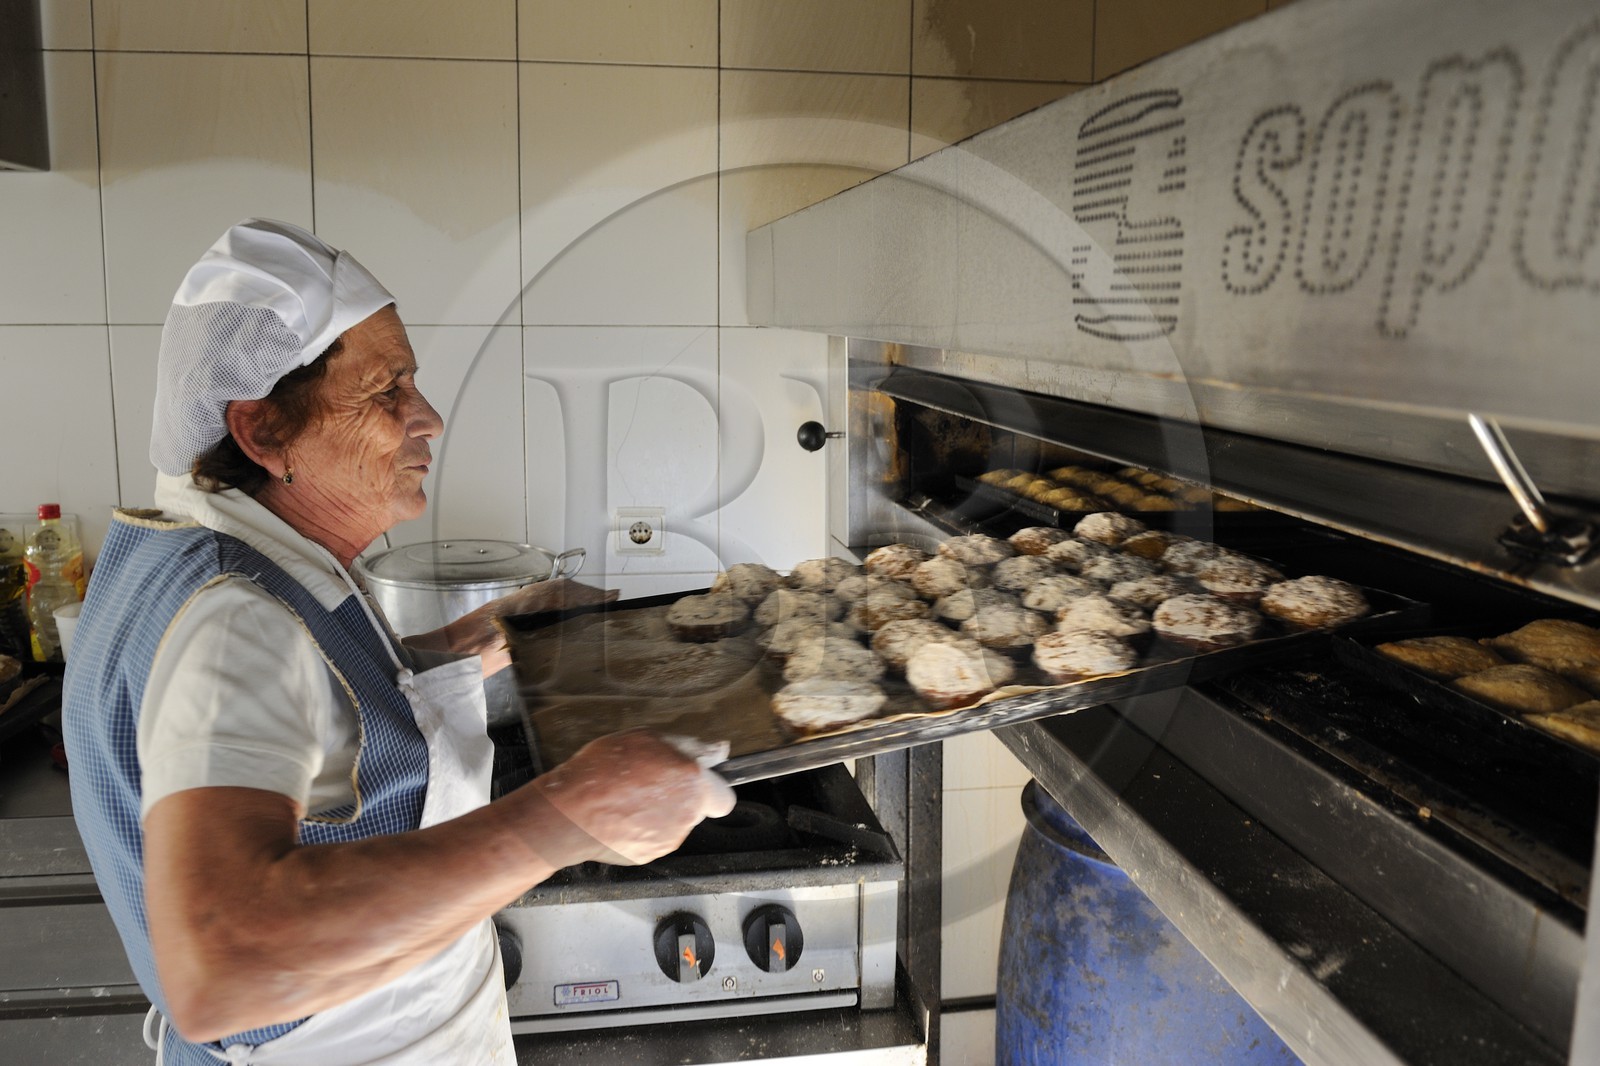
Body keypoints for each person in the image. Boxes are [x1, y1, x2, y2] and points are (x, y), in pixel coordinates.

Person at [61, 218, 736, 1065]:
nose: (429, 418)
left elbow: (321, 707)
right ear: (263, 433)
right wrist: (569, 818)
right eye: (388, 392)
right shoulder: (235, 614)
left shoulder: (207, 546)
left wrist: (493, 634)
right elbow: (222, 966)